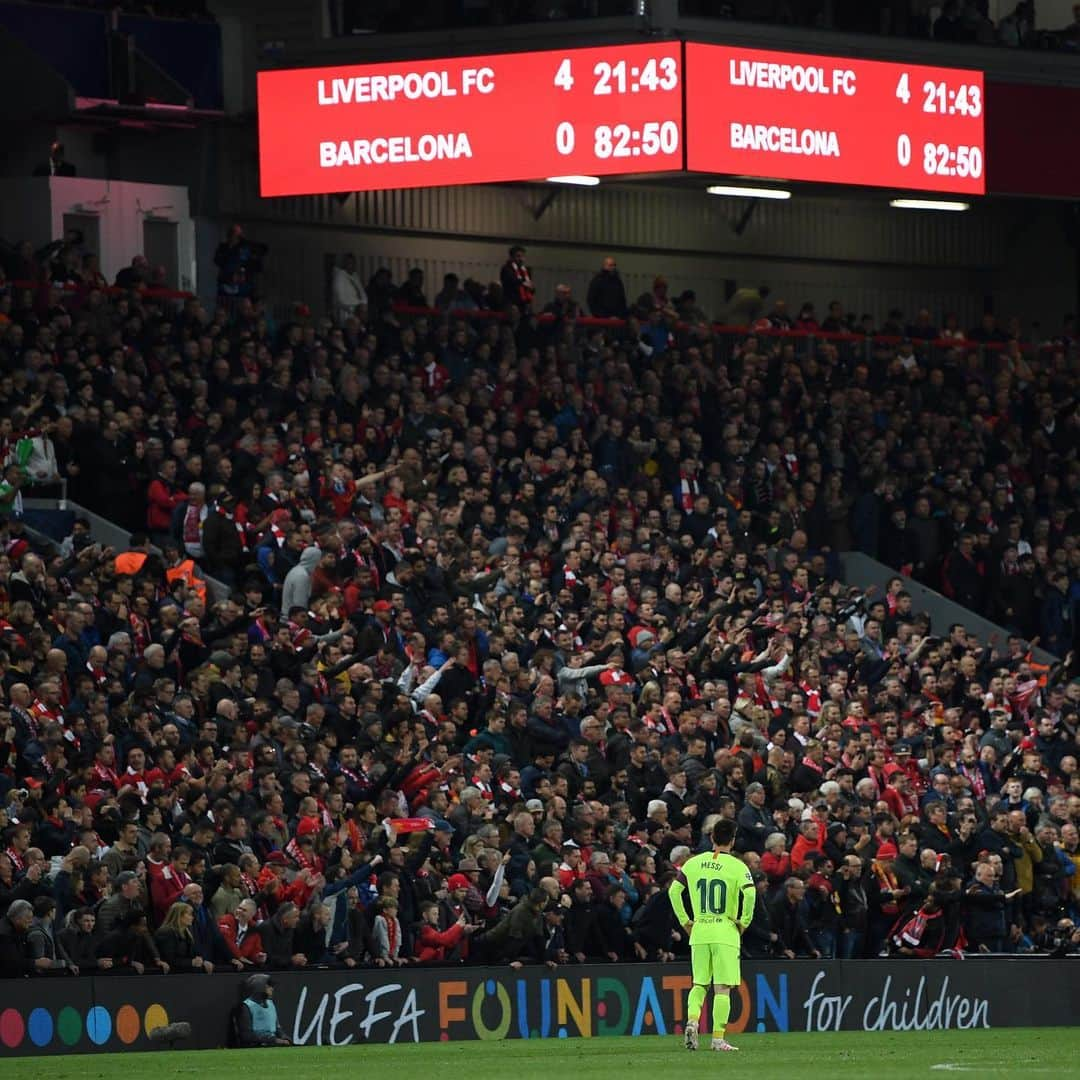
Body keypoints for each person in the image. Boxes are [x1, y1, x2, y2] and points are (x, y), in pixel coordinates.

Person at [667, 818, 755, 1053]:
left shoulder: (693, 863)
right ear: (733, 840)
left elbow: (674, 891)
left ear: (711, 838)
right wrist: (744, 922)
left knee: (699, 984)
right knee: (723, 988)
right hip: (725, 931)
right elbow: (751, 895)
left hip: (700, 931)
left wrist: (686, 921)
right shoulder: (738, 866)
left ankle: (692, 1022)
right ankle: (717, 1039)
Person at [236, 973, 292, 1046]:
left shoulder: (271, 1004)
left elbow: (277, 1028)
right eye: (268, 986)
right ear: (259, 987)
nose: (272, 989)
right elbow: (247, 1035)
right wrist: (274, 1040)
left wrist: (284, 1037)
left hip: (272, 1043)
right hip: (256, 1045)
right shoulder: (246, 1006)